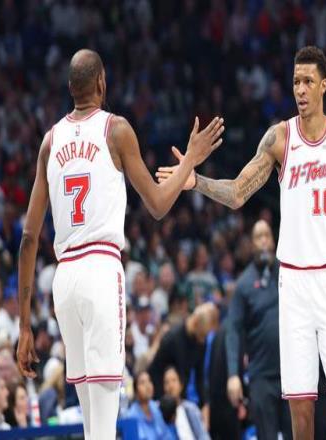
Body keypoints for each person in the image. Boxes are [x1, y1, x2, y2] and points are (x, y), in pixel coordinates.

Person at [156, 45, 326, 439]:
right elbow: (238, 193)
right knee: (300, 417)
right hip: (293, 286)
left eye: (308, 82)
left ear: (324, 86)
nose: (300, 89)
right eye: (296, 81)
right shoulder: (279, 138)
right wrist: (194, 181)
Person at [15, 48, 224, 440]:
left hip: (64, 280)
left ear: (70, 88)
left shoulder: (49, 141)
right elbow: (158, 205)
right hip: (99, 268)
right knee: (105, 421)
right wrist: (189, 161)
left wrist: (25, 325)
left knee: (91, 420)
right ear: (101, 82)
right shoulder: (116, 129)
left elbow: (28, 239)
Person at [225, 219, 292, 439]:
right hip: (261, 377)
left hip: (293, 372)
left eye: (267, 235)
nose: (263, 241)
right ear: (252, 244)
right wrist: (233, 375)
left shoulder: (288, 272)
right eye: (258, 237)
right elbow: (233, 330)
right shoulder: (244, 284)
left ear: (273, 240)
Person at [163, 365, 210, 439]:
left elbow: (203, 435)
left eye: (174, 380)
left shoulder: (191, 409)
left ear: (181, 385)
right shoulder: (160, 411)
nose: (170, 386)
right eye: (166, 382)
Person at [127, 371, 171, 440]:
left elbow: (166, 435)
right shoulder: (131, 417)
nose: (148, 386)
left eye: (149, 381)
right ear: (135, 391)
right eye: (142, 383)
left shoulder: (155, 407)